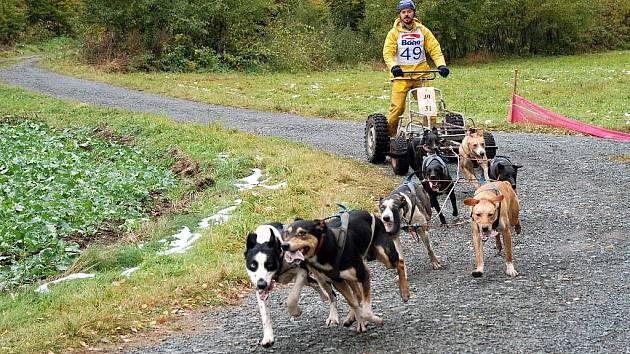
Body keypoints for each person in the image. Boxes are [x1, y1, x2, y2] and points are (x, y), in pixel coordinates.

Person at [383, 0, 449, 137]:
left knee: (428, 108)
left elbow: (434, 48)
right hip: (401, 76)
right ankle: (389, 137)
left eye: (409, 11)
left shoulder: (423, 30)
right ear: (400, 15)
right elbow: (388, 53)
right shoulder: (393, 33)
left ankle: (430, 137)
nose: (407, 14)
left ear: (414, 12)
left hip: (421, 75)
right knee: (397, 109)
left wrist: (441, 65)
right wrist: (394, 66)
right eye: (403, 12)